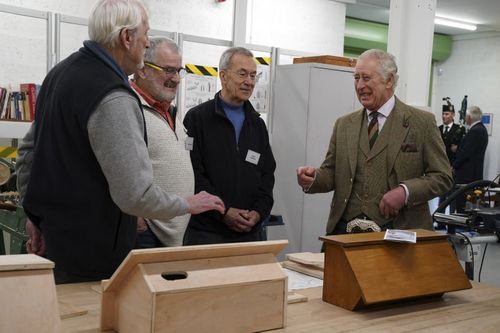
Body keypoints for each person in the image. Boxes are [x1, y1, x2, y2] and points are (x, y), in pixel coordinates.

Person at [17, 0, 224, 283]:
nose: (147, 42)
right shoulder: (113, 96)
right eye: (146, 34)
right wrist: (187, 204)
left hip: (57, 243)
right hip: (95, 257)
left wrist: (35, 216)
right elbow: (134, 195)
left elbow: (28, 151)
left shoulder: (60, 73)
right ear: (127, 38)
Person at [296, 49, 453, 236]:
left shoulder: (421, 123)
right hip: (345, 232)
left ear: (389, 80)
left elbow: (443, 177)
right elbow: (332, 172)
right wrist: (314, 178)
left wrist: (405, 192)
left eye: (366, 78)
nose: (360, 85)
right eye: (356, 78)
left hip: (398, 234)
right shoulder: (344, 124)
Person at [182, 47, 276, 245]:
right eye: (242, 74)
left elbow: (267, 175)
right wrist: (224, 211)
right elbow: (192, 174)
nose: (249, 82)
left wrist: (258, 213)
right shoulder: (197, 119)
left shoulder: (257, 124)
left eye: (253, 75)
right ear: (223, 76)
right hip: (207, 233)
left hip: (249, 233)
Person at [130, 36, 194, 248]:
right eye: (168, 70)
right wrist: (132, 216)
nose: (176, 79)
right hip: (146, 231)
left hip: (178, 230)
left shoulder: (170, 111)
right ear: (141, 69)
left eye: (178, 71)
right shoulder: (127, 107)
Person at [452, 106, 488, 213]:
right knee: (470, 201)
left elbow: (466, 152)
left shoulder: (475, 131)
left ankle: (460, 223)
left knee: (462, 201)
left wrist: (454, 165)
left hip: (467, 174)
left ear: (468, 117)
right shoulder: (481, 129)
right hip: (473, 172)